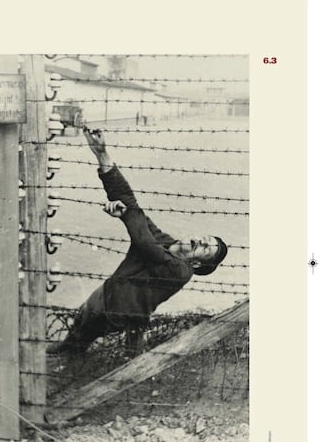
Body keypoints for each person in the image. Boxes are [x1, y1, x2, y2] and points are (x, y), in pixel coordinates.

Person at [48, 127, 228, 356]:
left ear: (199, 264)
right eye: (204, 239)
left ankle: (76, 363)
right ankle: (75, 357)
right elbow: (131, 204)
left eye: (205, 249)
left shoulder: (181, 271)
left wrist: (125, 214)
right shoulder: (164, 239)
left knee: (82, 342)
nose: (200, 242)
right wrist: (102, 155)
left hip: (116, 313)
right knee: (79, 336)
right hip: (108, 295)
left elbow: (144, 244)